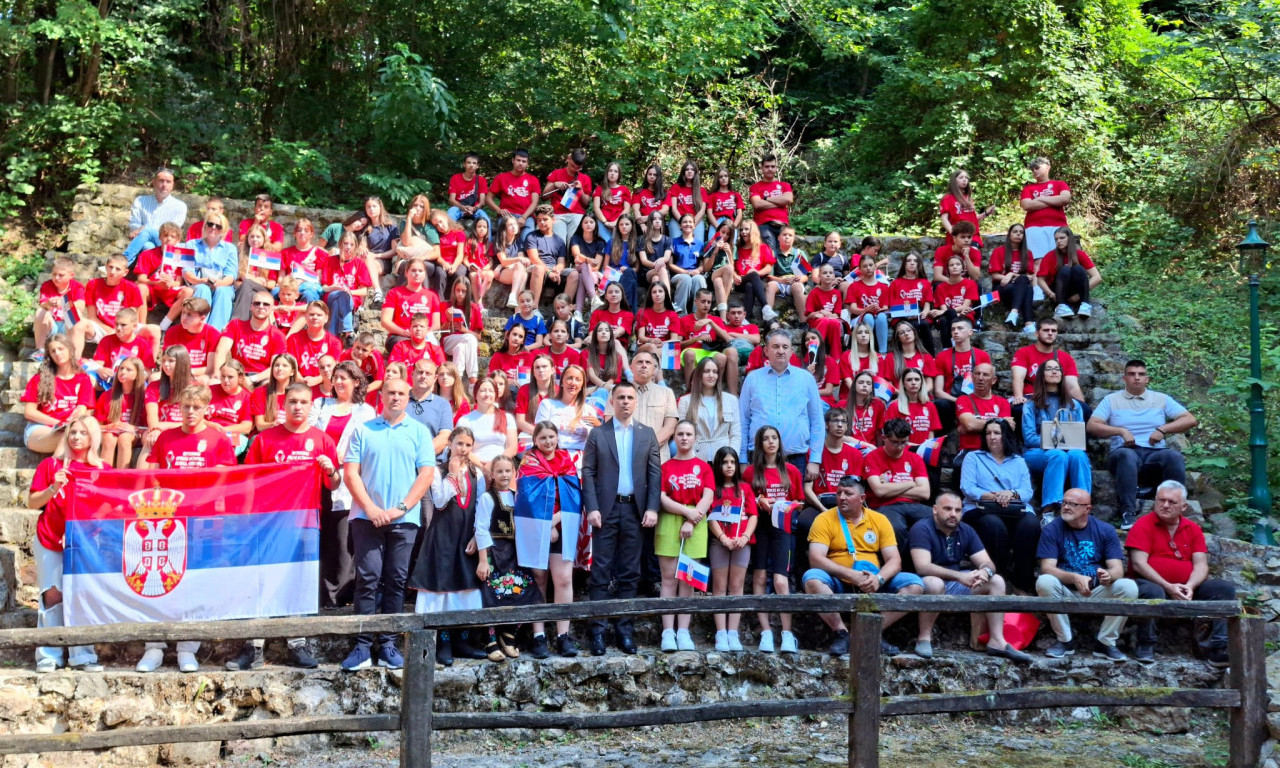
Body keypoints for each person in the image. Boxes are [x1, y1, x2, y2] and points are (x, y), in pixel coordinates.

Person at [233, 382, 341, 670]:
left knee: (299, 583)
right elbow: (249, 483)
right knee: (260, 583)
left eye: (304, 402)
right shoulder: (265, 440)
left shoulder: (322, 440)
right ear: (284, 403)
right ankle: (253, 647)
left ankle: (297, 644)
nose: (297, 407)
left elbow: (334, 484)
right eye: (292, 401)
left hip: (304, 523)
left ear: (311, 406)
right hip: (267, 523)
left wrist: (330, 470)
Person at [340, 377, 436, 672]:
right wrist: (371, 508)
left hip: (403, 519)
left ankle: (389, 644)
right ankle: (363, 645)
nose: (395, 397)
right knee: (367, 580)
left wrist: (400, 508)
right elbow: (350, 473)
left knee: (395, 581)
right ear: (380, 395)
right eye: (390, 392)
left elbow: (426, 474)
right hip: (366, 518)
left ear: (408, 398)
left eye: (400, 393)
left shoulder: (419, 432)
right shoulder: (363, 429)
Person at [139, 384, 235, 673]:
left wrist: (197, 502)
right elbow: (153, 475)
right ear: (178, 408)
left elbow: (223, 481)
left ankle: (186, 648)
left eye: (197, 407)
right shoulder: (166, 437)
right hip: (167, 519)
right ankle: (153, 647)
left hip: (202, 519)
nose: (191, 412)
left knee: (193, 583)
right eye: (186, 407)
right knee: (158, 578)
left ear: (207, 408)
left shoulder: (218, 438)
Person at [582, 381, 662, 655]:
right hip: (605, 510)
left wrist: (652, 508)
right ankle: (598, 632)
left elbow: (654, 474)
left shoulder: (647, 434)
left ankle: (624, 632)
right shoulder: (598, 434)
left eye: (630, 397)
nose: (626, 401)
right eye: (621, 397)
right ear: (612, 402)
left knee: (630, 572)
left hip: (635, 511)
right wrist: (591, 507)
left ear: (635, 402)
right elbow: (588, 472)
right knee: (601, 570)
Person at [803, 476, 925, 656]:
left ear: (862, 499)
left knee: (915, 585)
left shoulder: (879, 519)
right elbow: (816, 558)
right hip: (839, 579)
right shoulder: (824, 519)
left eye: (848, 494)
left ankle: (867, 632)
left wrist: (879, 578)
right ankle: (841, 632)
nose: (842, 497)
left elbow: (894, 560)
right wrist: (851, 575)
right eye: (839, 493)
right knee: (812, 579)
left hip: (873, 579)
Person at [909, 492, 1033, 662]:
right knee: (934, 583)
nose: (953, 514)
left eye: (958, 510)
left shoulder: (965, 529)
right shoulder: (922, 528)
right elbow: (922, 567)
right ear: (935, 510)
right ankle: (924, 638)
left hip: (955, 583)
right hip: (925, 582)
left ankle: (997, 640)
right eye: (948, 509)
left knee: (996, 580)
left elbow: (987, 563)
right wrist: (959, 576)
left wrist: (984, 572)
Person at [1127, 480, 1235, 667]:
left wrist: (1190, 586)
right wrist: (1168, 586)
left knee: (1223, 589)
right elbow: (1138, 564)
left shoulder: (1192, 529)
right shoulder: (1143, 524)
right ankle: (1146, 644)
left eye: (1172, 502)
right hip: (1149, 584)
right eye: (1161, 500)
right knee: (1153, 592)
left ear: (1184, 506)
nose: (1165, 505)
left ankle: (1219, 648)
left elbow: (1201, 565)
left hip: (1186, 587)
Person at [408, 427, 491, 665]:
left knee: (465, 588)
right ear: (449, 445)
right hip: (443, 536)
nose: (463, 449)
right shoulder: (437, 471)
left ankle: (462, 641)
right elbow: (441, 501)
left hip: (467, 537)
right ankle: (443, 641)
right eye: (459, 444)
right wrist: (452, 475)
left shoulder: (477, 474)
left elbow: (480, 510)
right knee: (443, 587)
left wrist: (477, 537)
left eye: (467, 444)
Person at [30, 416, 106, 673]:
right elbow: (32, 503)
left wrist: (80, 533)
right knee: (53, 596)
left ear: (92, 438)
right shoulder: (50, 466)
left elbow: (108, 508)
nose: (76, 437)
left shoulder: (102, 470)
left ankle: (82, 655)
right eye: (73, 432)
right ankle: (49, 655)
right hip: (49, 538)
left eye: (83, 433)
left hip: (84, 541)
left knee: (81, 596)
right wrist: (54, 487)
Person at [1088, 359, 1197, 529]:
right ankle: (1128, 513)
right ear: (1124, 378)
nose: (1136, 378)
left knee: (1173, 456)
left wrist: (1162, 429)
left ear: (1147, 379)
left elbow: (1190, 419)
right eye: (1132, 374)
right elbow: (1092, 425)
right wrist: (1120, 431)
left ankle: (1174, 512)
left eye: (1141, 374)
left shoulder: (1161, 399)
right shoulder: (1111, 400)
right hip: (1124, 452)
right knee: (1126, 455)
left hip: (1154, 453)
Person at [1036, 487, 1138, 661]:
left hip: (1097, 590)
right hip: (1064, 590)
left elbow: (1117, 569)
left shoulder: (1105, 530)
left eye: (1073, 504)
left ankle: (1106, 643)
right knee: (1044, 581)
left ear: (1087, 509)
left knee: (1128, 586)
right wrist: (1075, 577)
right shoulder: (1052, 529)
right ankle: (1065, 641)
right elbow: (1047, 567)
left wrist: (1108, 575)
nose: (1066, 507)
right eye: (1064, 503)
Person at [311, 361, 378, 609]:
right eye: (336, 377)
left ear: (356, 382)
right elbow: (309, 434)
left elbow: (367, 448)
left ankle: (338, 598)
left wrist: (340, 459)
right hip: (316, 481)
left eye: (344, 378)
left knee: (341, 542)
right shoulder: (319, 405)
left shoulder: (366, 411)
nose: (338, 382)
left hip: (346, 482)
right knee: (321, 538)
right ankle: (318, 596)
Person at [958, 420, 1039, 594]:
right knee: (994, 525)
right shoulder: (973, 457)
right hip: (980, 508)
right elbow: (968, 487)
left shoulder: (1018, 461)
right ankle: (996, 577)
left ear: (1006, 436)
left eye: (997, 433)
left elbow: (1026, 491)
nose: (992, 437)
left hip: (1014, 508)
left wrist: (1010, 494)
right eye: (988, 433)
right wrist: (995, 496)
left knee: (1030, 525)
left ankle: (1022, 582)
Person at [744, 424, 804, 653]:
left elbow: (800, 501)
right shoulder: (751, 472)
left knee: (780, 581)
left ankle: (788, 634)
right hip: (760, 527)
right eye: (766, 438)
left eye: (774, 438)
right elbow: (746, 501)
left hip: (783, 528)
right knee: (759, 577)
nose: (771, 442)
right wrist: (760, 501)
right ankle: (766, 632)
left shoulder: (791, 470)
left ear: (780, 442)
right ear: (760, 444)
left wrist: (788, 506)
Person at [656, 421, 714, 652]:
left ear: (695, 439)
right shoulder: (666, 466)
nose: (684, 438)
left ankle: (684, 631)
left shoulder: (704, 467)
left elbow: (708, 496)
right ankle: (667, 632)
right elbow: (661, 497)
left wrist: (692, 519)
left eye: (688, 434)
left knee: (688, 580)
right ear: (674, 439)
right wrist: (685, 512)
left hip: (697, 524)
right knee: (669, 578)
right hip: (670, 521)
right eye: (679, 434)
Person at [739, 328, 823, 481]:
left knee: (796, 505)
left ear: (792, 351)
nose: (780, 351)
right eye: (775, 346)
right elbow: (743, 421)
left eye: (785, 347)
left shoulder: (806, 379)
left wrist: (815, 459)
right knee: (758, 504)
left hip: (796, 458)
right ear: (766, 350)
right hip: (758, 458)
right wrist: (743, 459)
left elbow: (817, 420)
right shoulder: (752, 379)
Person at [472, 454, 530, 662]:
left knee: (521, 592)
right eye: (500, 471)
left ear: (514, 473)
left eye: (508, 471)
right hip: (495, 552)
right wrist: (482, 559)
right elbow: (481, 528)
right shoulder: (488, 498)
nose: (504, 475)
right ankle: (490, 640)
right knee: (492, 595)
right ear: (493, 475)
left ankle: (509, 634)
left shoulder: (517, 496)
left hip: (515, 553)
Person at [1022, 358, 1091, 522]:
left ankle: (1084, 507)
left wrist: (1064, 442)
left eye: (1057, 369)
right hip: (1037, 452)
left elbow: (1079, 435)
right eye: (1049, 369)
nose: (1054, 371)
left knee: (1078, 455)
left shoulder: (1074, 405)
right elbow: (1029, 438)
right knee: (1058, 454)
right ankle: (1049, 511)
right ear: (1041, 375)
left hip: (1068, 451)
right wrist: (1053, 441)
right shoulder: (1031, 404)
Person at [707, 446, 756, 652]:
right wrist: (723, 537)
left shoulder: (744, 488)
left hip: (741, 542)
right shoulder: (713, 489)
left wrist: (744, 536)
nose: (729, 466)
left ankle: (733, 632)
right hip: (720, 542)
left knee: (736, 587)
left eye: (733, 462)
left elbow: (753, 515)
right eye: (725, 462)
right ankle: (720, 633)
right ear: (718, 465)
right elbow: (710, 516)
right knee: (719, 587)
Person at [863, 418, 932, 548]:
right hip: (884, 506)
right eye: (895, 442)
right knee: (895, 526)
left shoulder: (915, 458)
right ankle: (902, 563)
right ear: (884, 438)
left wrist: (890, 487)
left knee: (938, 518)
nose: (899, 447)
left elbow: (925, 493)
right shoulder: (872, 457)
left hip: (912, 506)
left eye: (903, 442)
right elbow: (879, 491)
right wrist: (910, 483)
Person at [22, 334, 96, 454]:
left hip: (70, 428)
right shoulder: (39, 378)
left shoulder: (83, 379)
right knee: (68, 437)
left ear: (70, 350)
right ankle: (54, 470)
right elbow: (29, 412)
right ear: (49, 355)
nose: (57, 353)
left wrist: (70, 425)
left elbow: (83, 410)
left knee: (74, 436)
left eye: (61, 349)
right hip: (41, 429)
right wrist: (59, 424)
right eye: (53, 351)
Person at [70, 253, 145, 361]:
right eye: (110, 267)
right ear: (106, 267)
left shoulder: (132, 288)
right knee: (78, 321)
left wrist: (119, 330)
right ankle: (74, 361)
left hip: (124, 327)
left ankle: (147, 368)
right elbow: (91, 317)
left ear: (125, 272)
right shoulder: (93, 284)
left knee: (154, 330)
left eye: (118, 269)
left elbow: (132, 318)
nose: (113, 271)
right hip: (101, 327)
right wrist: (110, 330)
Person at [1010, 317, 1087, 415]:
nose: (1050, 333)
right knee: (1018, 409)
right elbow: (1018, 378)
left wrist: (1082, 405)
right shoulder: (1024, 353)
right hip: (1031, 397)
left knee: (1084, 410)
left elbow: (1072, 386)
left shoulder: (1065, 357)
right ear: (1037, 333)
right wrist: (1018, 397)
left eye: (1053, 331)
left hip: (1057, 398)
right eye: (1046, 330)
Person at [213, 289, 286, 387]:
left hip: (261, 378)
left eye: (266, 304)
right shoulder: (235, 325)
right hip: (236, 374)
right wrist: (219, 374)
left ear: (272, 308)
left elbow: (276, 367)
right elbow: (221, 351)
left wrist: (252, 379)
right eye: (257, 303)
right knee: (213, 382)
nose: (261, 307)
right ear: (251, 307)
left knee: (270, 386)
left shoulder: (278, 335)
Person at [933, 318, 992, 434]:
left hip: (976, 398)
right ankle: (945, 440)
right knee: (940, 404)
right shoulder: (942, 356)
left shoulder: (982, 355)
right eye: (953, 329)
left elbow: (988, 385)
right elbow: (938, 392)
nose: (955, 332)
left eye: (960, 328)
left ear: (970, 332)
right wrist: (960, 401)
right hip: (951, 400)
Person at [677, 356, 741, 462]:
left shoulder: (731, 400)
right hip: (695, 457)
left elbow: (736, 434)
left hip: (724, 459)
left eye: (715, 372)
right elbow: (681, 434)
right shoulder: (685, 401)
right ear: (699, 374)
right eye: (706, 371)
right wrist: (689, 457)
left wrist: (731, 458)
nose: (711, 375)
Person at [182, 211, 239, 330]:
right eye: (210, 224)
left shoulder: (230, 249)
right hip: (198, 283)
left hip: (221, 284)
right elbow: (187, 271)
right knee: (203, 289)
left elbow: (231, 275)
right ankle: (199, 328)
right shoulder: (191, 244)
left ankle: (215, 331)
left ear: (223, 230)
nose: (213, 228)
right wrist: (200, 280)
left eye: (218, 226)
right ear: (205, 225)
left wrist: (221, 283)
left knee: (223, 291)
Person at [123, 168, 188, 266]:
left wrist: (145, 228)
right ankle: (130, 268)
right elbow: (134, 226)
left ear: (173, 185)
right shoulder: (140, 201)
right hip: (143, 241)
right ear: (154, 182)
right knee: (147, 246)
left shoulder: (180, 206)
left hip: (166, 243)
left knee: (147, 229)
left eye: (168, 182)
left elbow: (172, 232)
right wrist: (144, 230)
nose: (164, 185)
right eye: (161, 180)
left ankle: (122, 262)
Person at [712, 220, 773, 320]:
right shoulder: (738, 249)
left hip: (756, 281)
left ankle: (745, 320)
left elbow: (768, 267)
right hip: (739, 281)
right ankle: (765, 307)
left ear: (753, 231)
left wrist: (757, 272)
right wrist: (735, 276)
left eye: (746, 229)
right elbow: (732, 266)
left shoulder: (763, 247)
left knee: (750, 284)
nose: (743, 232)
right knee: (752, 277)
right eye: (741, 230)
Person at [1038, 226, 1103, 319]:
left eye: (1062, 238)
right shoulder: (1050, 256)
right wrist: (1051, 295)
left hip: (1076, 292)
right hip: (1058, 292)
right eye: (1056, 239)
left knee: (1078, 268)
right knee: (1065, 269)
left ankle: (1085, 304)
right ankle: (1061, 305)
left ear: (1070, 238)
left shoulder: (1079, 254)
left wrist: (1078, 295)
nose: (1058, 241)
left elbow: (1097, 277)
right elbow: (1040, 280)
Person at [456, 378, 517, 476]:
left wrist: (494, 465)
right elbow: (461, 448)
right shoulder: (465, 420)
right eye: (482, 391)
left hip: (502, 469)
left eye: (491, 391)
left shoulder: (507, 417)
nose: (487, 394)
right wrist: (482, 467)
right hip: (474, 468)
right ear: (475, 394)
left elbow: (512, 448)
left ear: (495, 394)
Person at [95, 356, 148, 467]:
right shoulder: (107, 395)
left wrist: (132, 428)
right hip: (110, 433)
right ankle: (104, 477)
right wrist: (110, 427)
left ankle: (123, 478)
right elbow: (95, 426)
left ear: (137, 374)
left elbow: (149, 427)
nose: (123, 372)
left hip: (134, 435)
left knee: (124, 437)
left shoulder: (144, 397)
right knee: (109, 437)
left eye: (129, 370)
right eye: (121, 368)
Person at [321, 231, 373, 339]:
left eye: (351, 244)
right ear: (340, 244)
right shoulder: (329, 261)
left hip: (350, 300)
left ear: (355, 247)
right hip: (331, 296)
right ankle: (349, 331)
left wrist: (348, 291)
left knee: (340, 300)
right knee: (339, 296)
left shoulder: (359, 263)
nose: (348, 247)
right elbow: (324, 288)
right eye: (345, 243)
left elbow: (364, 291)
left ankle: (332, 337)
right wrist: (334, 287)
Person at [1020, 156, 1072, 260]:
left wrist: (1040, 199)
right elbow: (1026, 205)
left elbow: (1065, 199)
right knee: (1038, 259)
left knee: (1060, 259)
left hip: (1058, 226)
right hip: (1034, 227)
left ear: (1047, 167)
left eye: (1037, 167)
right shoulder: (1028, 188)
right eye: (1032, 169)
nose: (1034, 171)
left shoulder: (1060, 184)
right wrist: (1055, 201)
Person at [34, 257, 86, 360]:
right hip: (52, 325)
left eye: (61, 275)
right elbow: (43, 304)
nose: (56, 278)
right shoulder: (47, 286)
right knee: (40, 312)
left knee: (77, 314)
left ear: (71, 275)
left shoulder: (77, 287)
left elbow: (81, 306)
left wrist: (64, 303)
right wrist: (48, 304)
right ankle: (40, 350)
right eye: (54, 274)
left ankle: (75, 357)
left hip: (68, 326)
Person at [988, 223, 1036, 333]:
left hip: (1020, 287)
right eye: (1015, 232)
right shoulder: (999, 251)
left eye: (1021, 232)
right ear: (1009, 235)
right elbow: (994, 275)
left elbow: (1030, 276)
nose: (1018, 234)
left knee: (1027, 286)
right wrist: (1010, 275)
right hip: (1001, 288)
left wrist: (1013, 275)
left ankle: (1015, 313)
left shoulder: (1027, 253)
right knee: (1026, 286)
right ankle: (1028, 323)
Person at [524, 203, 576, 302]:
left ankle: (564, 307)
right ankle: (534, 307)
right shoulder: (532, 236)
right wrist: (548, 272)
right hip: (536, 268)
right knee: (539, 268)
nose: (542, 222)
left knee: (574, 273)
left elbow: (561, 262)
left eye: (545, 219)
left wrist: (558, 269)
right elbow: (534, 259)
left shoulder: (559, 241)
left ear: (553, 220)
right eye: (539, 220)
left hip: (553, 269)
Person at [887, 251, 935, 356]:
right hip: (901, 316)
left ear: (919, 264)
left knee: (924, 324)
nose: (912, 263)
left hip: (919, 315)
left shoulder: (925, 283)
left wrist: (924, 313)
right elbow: (892, 305)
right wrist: (906, 314)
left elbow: (927, 306)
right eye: (909, 260)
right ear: (904, 264)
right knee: (908, 326)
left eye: (915, 261)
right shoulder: (896, 283)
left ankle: (931, 358)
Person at [163, 297, 222, 381]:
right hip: (174, 375)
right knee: (155, 377)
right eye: (183, 312)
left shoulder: (213, 334)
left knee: (204, 380)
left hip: (198, 377)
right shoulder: (172, 332)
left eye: (189, 315)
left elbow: (210, 369)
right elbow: (166, 361)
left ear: (202, 318)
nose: (184, 318)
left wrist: (187, 372)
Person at [488, 149, 542, 239]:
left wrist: (524, 217)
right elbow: (488, 198)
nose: (521, 163)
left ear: (527, 163)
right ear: (513, 160)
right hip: (507, 215)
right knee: (505, 242)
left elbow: (535, 202)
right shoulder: (501, 177)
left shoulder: (533, 179)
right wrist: (498, 210)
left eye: (524, 161)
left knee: (528, 242)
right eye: (518, 160)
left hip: (527, 216)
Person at [406, 359, 454, 457]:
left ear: (435, 378)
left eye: (428, 374)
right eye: (420, 372)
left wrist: (419, 454)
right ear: (412, 374)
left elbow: (444, 437)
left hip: (430, 461)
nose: (423, 376)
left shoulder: (443, 405)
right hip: (400, 459)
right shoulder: (400, 400)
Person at [285, 301, 342, 384]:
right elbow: (290, 365)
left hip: (324, 384)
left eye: (319, 315)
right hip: (297, 384)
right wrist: (301, 380)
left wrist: (317, 380)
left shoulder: (334, 343)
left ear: (326, 318)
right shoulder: (293, 339)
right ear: (305, 316)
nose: (315, 317)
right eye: (311, 314)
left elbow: (334, 368)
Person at [845, 253, 890, 354]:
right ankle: (868, 351)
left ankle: (883, 352)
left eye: (870, 265)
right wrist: (865, 310)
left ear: (875, 266)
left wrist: (878, 309)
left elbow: (886, 307)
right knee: (868, 317)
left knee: (882, 317)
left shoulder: (883, 287)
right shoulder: (854, 286)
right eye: (865, 266)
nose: (868, 268)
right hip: (860, 317)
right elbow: (852, 308)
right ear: (859, 269)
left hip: (878, 315)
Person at [545, 148, 593, 243]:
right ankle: (561, 258)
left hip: (577, 214)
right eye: (572, 165)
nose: (574, 169)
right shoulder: (556, 173)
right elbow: (544, 196)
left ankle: (572, 257)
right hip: (558, 214)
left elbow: (586, 204)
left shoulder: (585, 178)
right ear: (569, 159)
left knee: (574, 242)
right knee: (560, 241)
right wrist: (555, 185)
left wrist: (581, 190)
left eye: (578, 168)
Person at [441, 278, 483, 385]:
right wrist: (448, 319)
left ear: (468, 292)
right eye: (458, 290)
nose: (460, 294)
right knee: (469, 339)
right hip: (447, 342)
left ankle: (457, 380)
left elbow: (478, 337)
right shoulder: (445, 306)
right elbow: (440, 331)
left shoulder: (474, 308)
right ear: (453, 290)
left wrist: (464, 330)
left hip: (465, 342)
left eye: (463, 291)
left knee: (460, 347)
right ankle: (473, 378)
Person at [749, 154, 793, 254]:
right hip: (763, 225)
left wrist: (766, 198)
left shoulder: (784, 185)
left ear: (776, 168)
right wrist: (780, 202)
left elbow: (788, 199)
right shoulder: (755, 187)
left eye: (773, 166)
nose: (770, 169)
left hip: (782, 225)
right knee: (769, 253)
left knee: (783, 253)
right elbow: (757, 204)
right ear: (761, 168)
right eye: (767, 166)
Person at [939, 170, 995, 249]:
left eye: (966, 178)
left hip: (972, 236)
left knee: (972, 254)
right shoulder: (947, 198)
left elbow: (973, 219)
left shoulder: (968, 197)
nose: (964, 179)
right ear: (954, 181)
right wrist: (954, 234)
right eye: (961, 177)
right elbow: (944, 219)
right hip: (957, 236)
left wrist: (986, 213)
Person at [280, 218, 328, 303]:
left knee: (309, 294)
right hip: (289, 287)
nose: (302, 233)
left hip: (309, 287)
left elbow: (319, 280)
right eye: (299, 230)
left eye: (306, 231)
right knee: (275, 292)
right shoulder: (285, 253)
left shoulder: (319, 253)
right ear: (295, 234)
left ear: (311, 234)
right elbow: (281, 279)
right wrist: (300, 270)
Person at [669, 213, 709, 314]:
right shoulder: (673, 242)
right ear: (680, 226)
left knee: (699, 279)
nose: (688, 224)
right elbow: (670, 264)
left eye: (690, 222)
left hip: (695, 273)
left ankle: (699, 313)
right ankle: (680, 313)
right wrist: (684, 272)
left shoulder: (700, 243)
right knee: (685, 279)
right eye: (685, 222)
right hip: (679, 275)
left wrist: (698, 270)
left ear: (694, 225)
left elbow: (702, 264)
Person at [768, 226, 810, 322]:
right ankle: (769, 319)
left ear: (794, 238)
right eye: (784, 235)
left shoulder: (799, 253)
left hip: (795, 281)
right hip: (779, 281)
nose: (787, 237)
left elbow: (806, 276)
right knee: (770, 286)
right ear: (778, 238)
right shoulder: (773, 253)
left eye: (790, 235)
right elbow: (769, 277)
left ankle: (804, 321)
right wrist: (781, 280)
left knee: (797, 287)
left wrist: (799, 279)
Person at [805, 263, 844, 363]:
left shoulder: (837, 293)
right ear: (819, 277)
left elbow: (837, 314)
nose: (828, 275)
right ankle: (813, 354)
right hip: (817, 322)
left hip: (831, 320)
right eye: (824, 273)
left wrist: (828, 315)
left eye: (830, 273)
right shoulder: (814, 292)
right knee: (825, 321)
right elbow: (808, 314)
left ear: (834, 276)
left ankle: (836, 358)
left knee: (835, 323)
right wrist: (819, 312)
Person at [570, 214, 607, 319]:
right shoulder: (576, 238)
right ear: (581, 225)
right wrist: (587, 260)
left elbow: (596, 265)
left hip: (591, 273)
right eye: (585, 222)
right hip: (576, 268)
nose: (588, 225)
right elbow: (577, 255)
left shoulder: (600, 242)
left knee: (583, 275)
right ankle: (593, 297)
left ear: (595, 225)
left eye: (591, 222)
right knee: (584, 265)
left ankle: (578, 312)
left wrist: (585, 261)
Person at [493, 214, 532, 310]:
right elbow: (504, 261)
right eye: (510, 225)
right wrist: (501, 266)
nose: (514, 226)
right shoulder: (499, 241)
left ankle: (516, 305)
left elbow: (521, 262)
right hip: (501, 273)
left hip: (514, 270)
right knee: (522, 271)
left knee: (523, 273)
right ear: (504, 228)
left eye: (515, 224)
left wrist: (505, 265)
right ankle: (514, 297)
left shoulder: (518, 241)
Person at [634, 281, 681, 359]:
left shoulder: (673, 315)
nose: (657, 294)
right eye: (654, 292)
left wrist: (662, 344)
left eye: (660, 291)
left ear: (665, 294)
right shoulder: (642, 312)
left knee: (669, 351)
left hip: (665, 346)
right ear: (650, 295)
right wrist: (651, 340)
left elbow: (674, 339)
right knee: (652, 347)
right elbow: (641, 337)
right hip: (646, 346)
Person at [665, 160, 708, 241]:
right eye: (687, 169)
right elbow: (673, 208)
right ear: (683, 172)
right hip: (678, 220)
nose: (689, 171)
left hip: (696, 221)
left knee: (697, 248)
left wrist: (692, 224)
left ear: (695, 173)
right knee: (676, 248)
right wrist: (683, 223)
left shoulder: (701, 190)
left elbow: (702, 211)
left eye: (692, 170)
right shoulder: (675, 187)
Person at [447, 153, 491, 226]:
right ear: (464, 164)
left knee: (486, 220)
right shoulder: (455, 178)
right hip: (458, 207)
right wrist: (462, 207)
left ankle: (487, 238)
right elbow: (451, 200)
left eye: (474, 163)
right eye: (468, 162)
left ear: (477, 166)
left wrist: (473, 209)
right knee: (449, 216)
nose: (471, 165)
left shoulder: (481, 180)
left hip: (475, 209)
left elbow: (482, 202)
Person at [592, 161, 631, 244]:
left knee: (618, 243)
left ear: (619, 175)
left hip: (619, 222)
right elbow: (596, 207)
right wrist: (605, 222)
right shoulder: (600, 188)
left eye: (615, 171)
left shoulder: (625, 190)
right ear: (607, 173)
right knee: (609, 242)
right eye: (610, 171)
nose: (612, 173)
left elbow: (627, 209)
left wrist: (616, 222)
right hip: (603, 222)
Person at [705, 167, 745, 242]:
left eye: (726, 176)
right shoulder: (712, 195)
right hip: (716, 223)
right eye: (721, 177)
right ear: (718, 179)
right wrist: (718, 227)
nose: (723, 178)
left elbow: (739, 214)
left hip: (730, 222)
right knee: (712, 245)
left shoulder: (735, 195)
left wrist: (733, 227)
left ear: (729, 178)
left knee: (731, 246)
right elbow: (709, 213)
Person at [632, 163, 668, 233]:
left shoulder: (665, 193)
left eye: (655, 175)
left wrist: (648, 218)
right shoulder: (638, 192)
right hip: (642, 224)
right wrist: (642, 225)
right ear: (646, 175)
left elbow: (664, 210)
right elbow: (636, 210)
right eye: (650, 174)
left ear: (659, 177)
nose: (652, 177)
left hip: (659, 224)